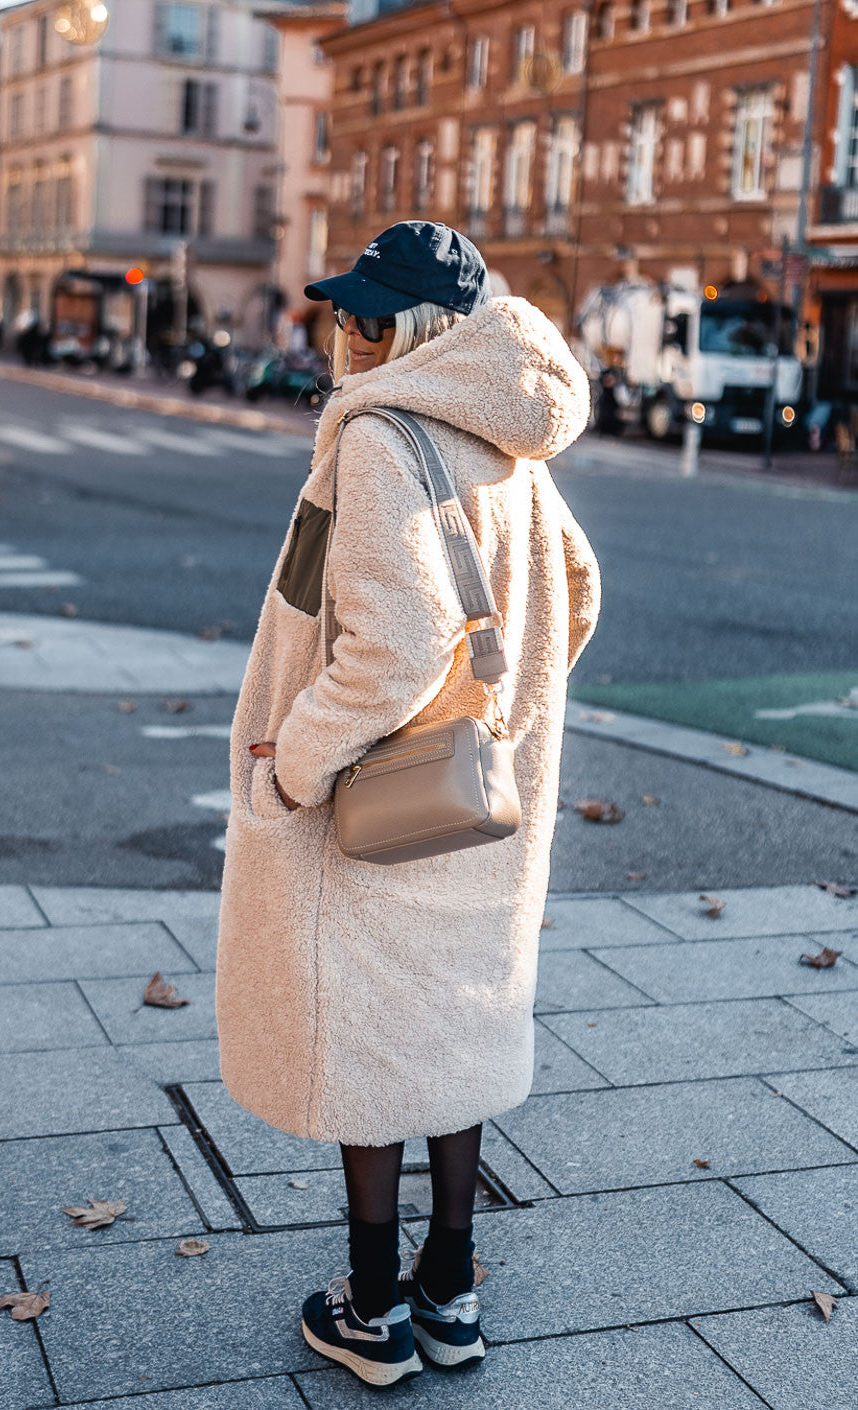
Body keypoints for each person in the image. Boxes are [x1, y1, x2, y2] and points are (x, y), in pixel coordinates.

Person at [215, 221, 601, 1387]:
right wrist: (505, 706)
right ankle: (452, 1289)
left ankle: (372, 1312)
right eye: (344, 311)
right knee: (454, 1034)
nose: (344, 331)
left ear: (413, 330)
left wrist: (297, 763)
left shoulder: (383, 435)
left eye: (364, 315)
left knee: (375, 1042)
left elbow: (391, 649)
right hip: (483, 791)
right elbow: (576, 589)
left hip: (377, 797)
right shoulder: (507, 434)